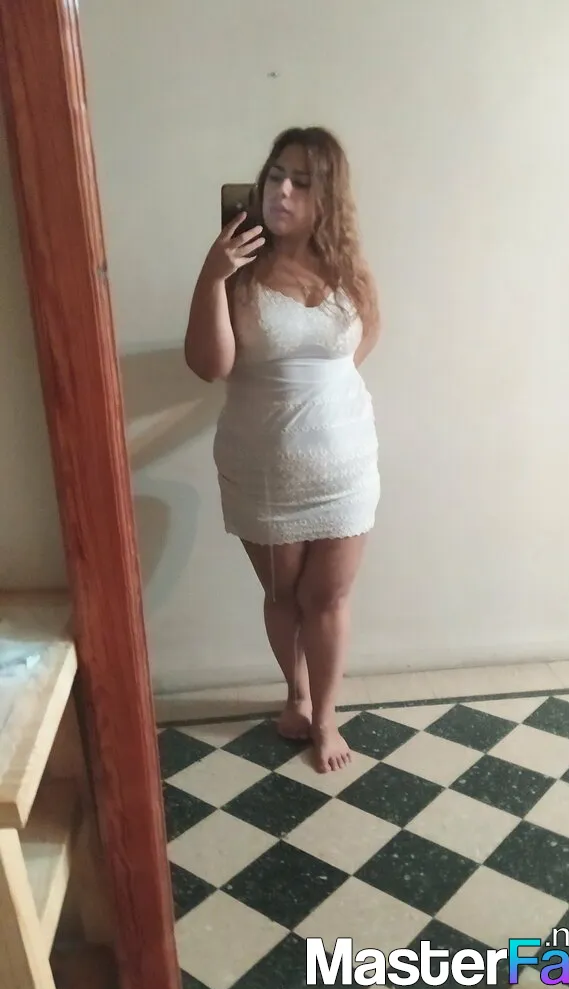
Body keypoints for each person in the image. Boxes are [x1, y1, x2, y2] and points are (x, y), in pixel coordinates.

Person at [184, 126, 381, 773]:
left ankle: (325, 717)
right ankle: (295, 695)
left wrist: (323, 397)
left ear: (328, 195)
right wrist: (212, 275)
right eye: (275, 176)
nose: (282, 191)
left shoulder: (349, 268)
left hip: (346, 465)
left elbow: (366, 335)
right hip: (263, 468)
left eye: (301, 181)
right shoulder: (237, 272)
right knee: (283, 596)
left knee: (329, 599)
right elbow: (209, 365)